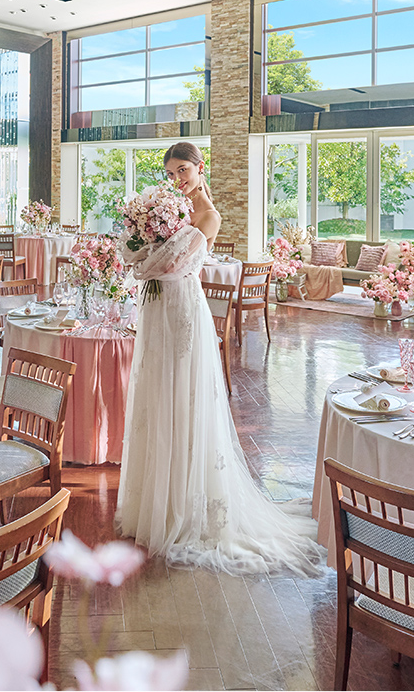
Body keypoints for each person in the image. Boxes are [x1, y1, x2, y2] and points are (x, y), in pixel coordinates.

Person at [115, 142, 322, 576]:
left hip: (182, 311)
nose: (177, 179)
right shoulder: (171, 210)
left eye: (184, 170)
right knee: (156, 393)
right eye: (171, 173)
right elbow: (137, 258)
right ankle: (154, 501)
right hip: (155, 314)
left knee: (183, 396)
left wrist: (145, 248)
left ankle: (186, 507)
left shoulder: (208, 216)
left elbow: (162, 266)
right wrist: (142, 239)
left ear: (200, 167)